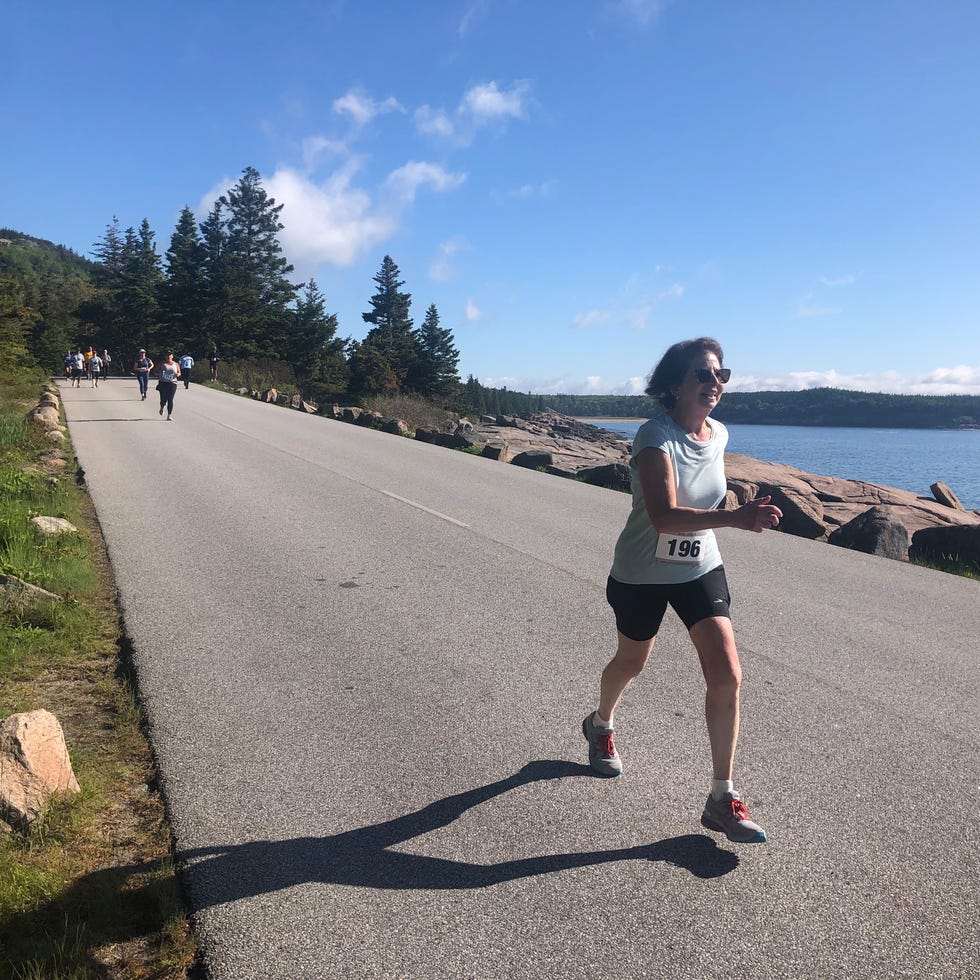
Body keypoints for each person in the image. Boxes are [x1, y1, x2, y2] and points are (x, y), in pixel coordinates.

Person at [582, 337, 782, 845]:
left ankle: (722, 796)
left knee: (727, 670)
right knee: (631, 663)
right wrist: (736, 517)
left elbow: (706, 492)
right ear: (675, 386)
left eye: (722, 374)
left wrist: (734, 506)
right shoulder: (654, 438)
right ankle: (601, 724)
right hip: (642, 570)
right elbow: (664, 515)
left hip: (699, 566)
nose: (715, 383)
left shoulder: (719, 434)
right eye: (704, 374)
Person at [157, 351, 181, 420]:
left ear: (172, 356)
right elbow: (156, 371)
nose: (168, 357)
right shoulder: (162, 364)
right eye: (167, 355)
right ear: (165, 356)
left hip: (172, 383)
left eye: (170, 355)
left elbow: (179, 372)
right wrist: (160, 374)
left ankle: (169, 415)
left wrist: (178, 374)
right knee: (163, 399)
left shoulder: (176, 364)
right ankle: (162, 407)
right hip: (163, 383)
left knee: (170, 399)